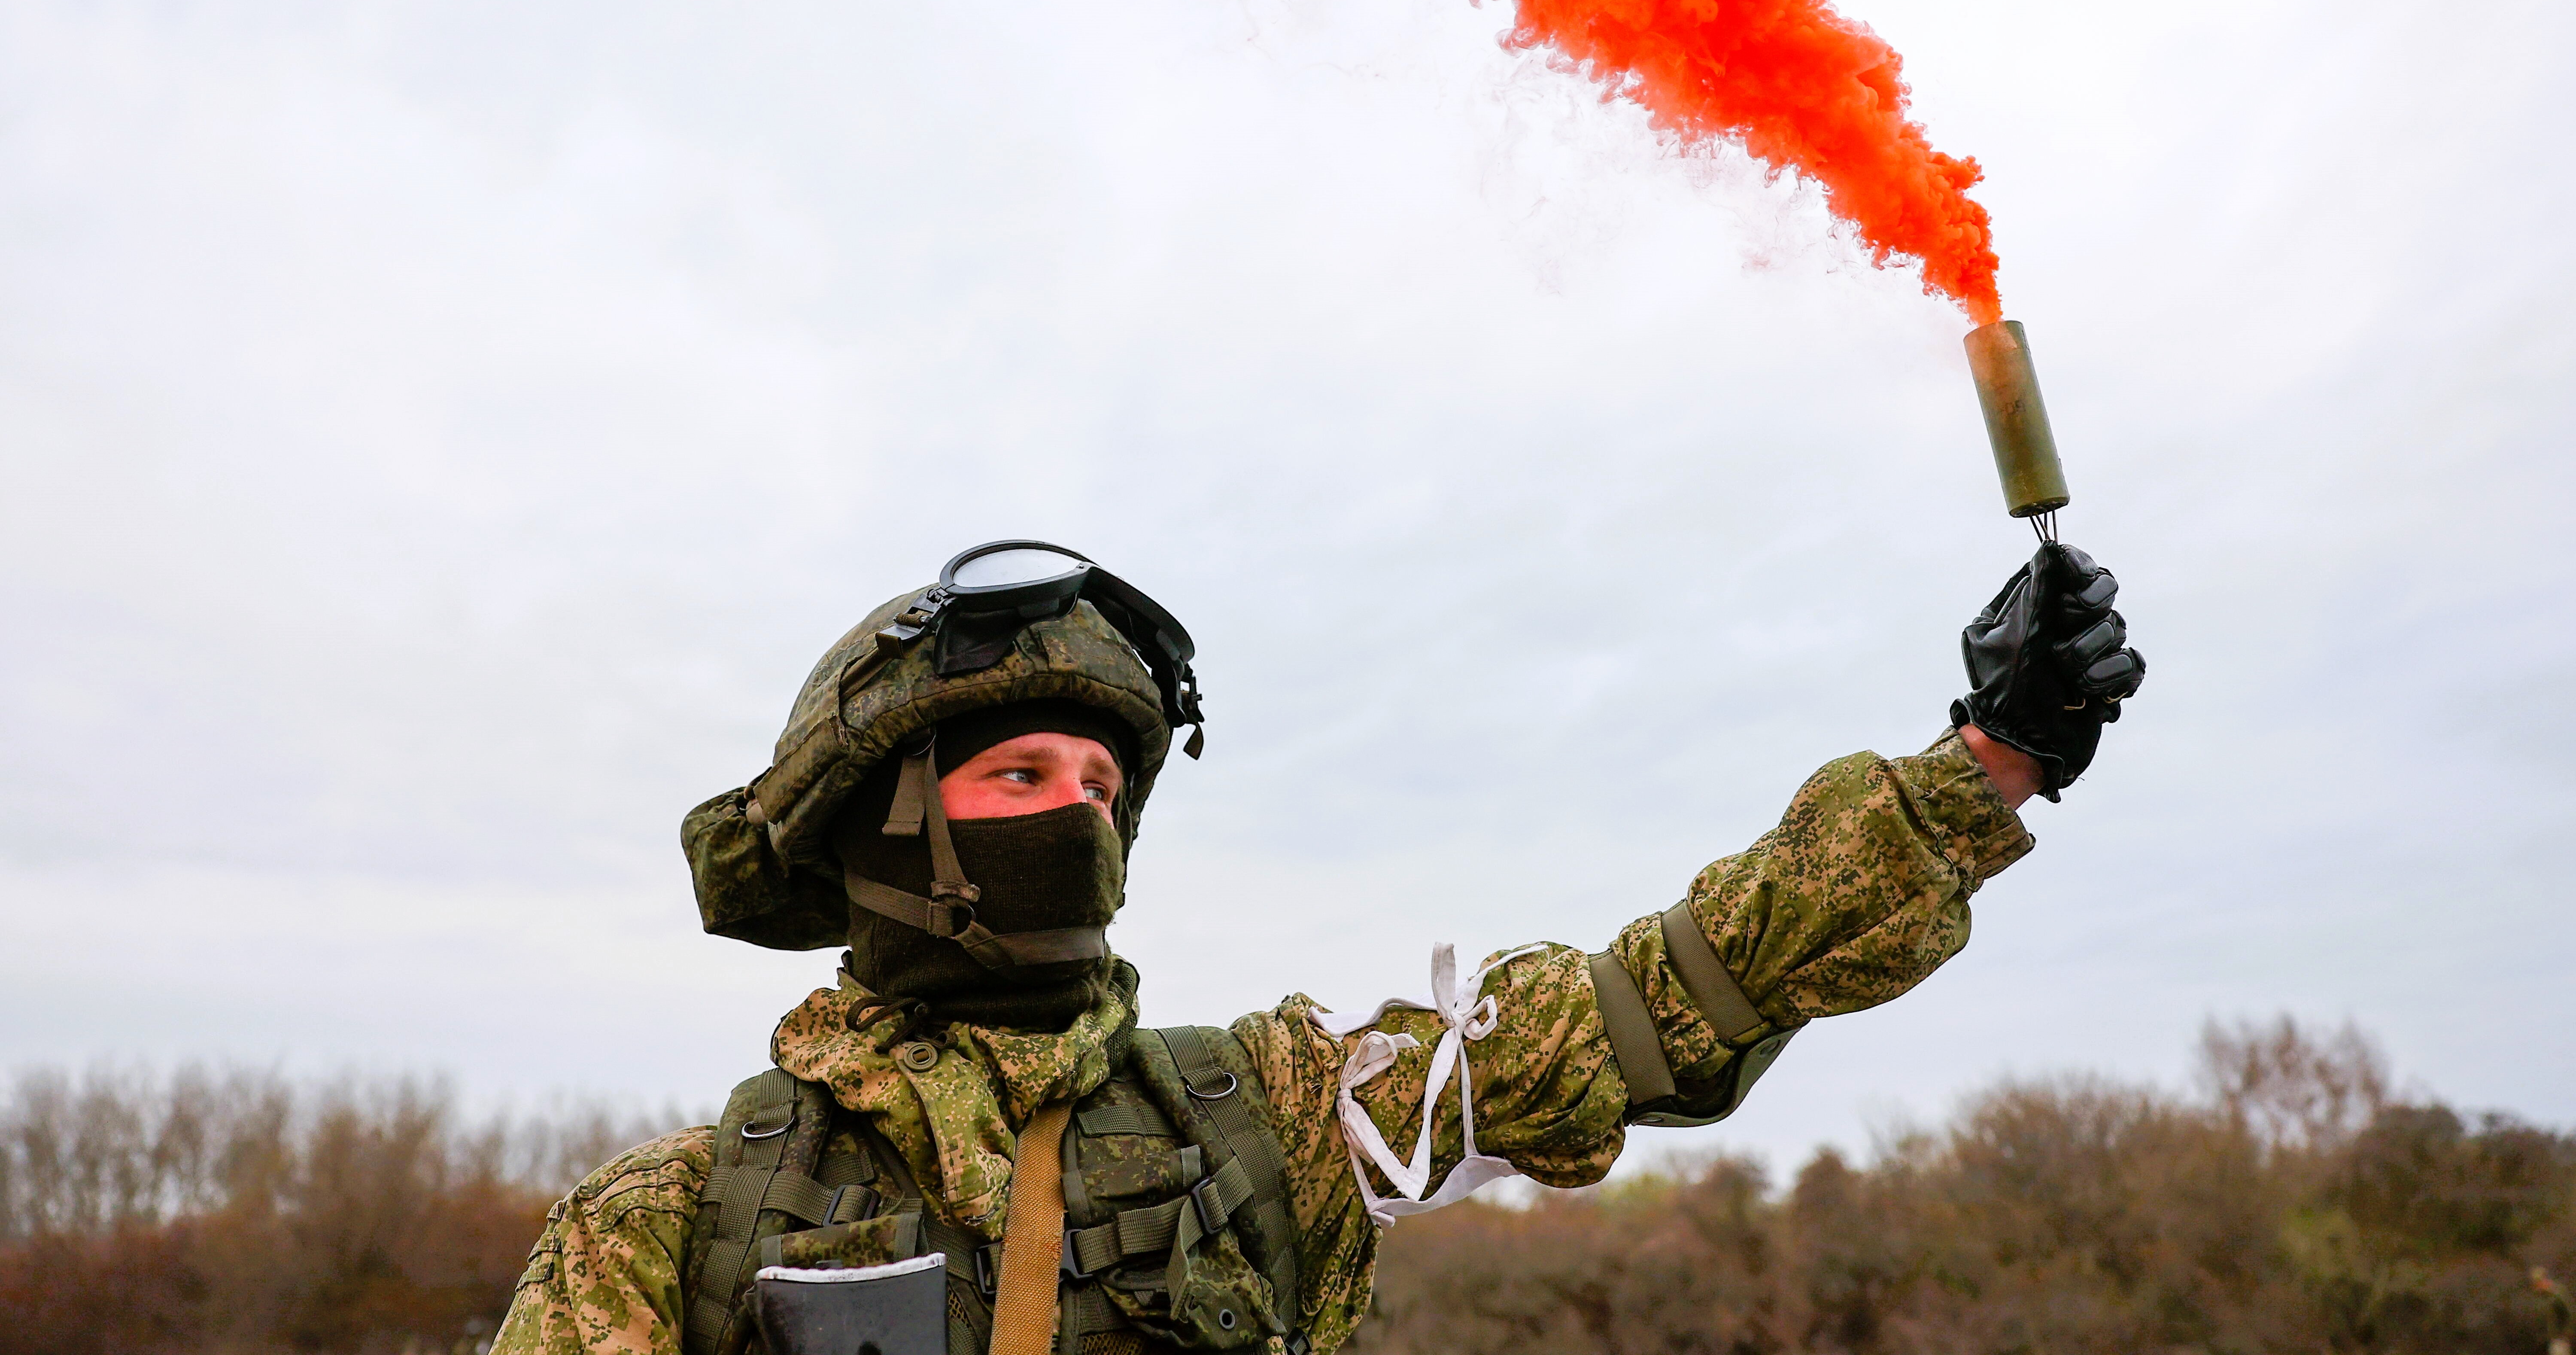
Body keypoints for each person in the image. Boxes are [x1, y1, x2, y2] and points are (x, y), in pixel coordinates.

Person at [493, 538, 2145, 1355]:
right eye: (1018, 773)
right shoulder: (676, 1223)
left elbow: (1654, 1010)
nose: (1078, 811)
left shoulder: (1272, 1112)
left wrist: (1988, 763)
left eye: (1102, 780)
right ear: (882, 833)